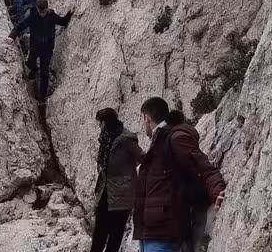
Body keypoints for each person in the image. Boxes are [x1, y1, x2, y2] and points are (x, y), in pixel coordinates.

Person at [133, 97, 226, 252]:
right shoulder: (159, 140)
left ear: (146, 118)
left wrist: (217, 190)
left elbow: (203, 168)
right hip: (151, 231)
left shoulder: (174, 138)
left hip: (163, 232)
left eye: (142, 120)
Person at [91, 108, 143, 252]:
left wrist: (126, 176)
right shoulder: (105, 139)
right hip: (106, 192)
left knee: (116, 233)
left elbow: (142, 157)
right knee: (100, 231)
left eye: (99, 123)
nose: (99, 127)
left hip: (121, 195)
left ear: (103, 122)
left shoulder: (126, 139)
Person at [5, 0, 72, 102]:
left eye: (44, 12)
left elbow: (62, 22)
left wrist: (70, 13)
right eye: (40, 12)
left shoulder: (51, 16)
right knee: (30, 63)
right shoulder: (33, 16)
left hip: (47, 49)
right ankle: (35, 69)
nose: (42, 14)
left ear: (47, 9)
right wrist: (11, 36)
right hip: (35, 46)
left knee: (45, 73)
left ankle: (42, 98)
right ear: (37, 9)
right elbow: (20, 26)